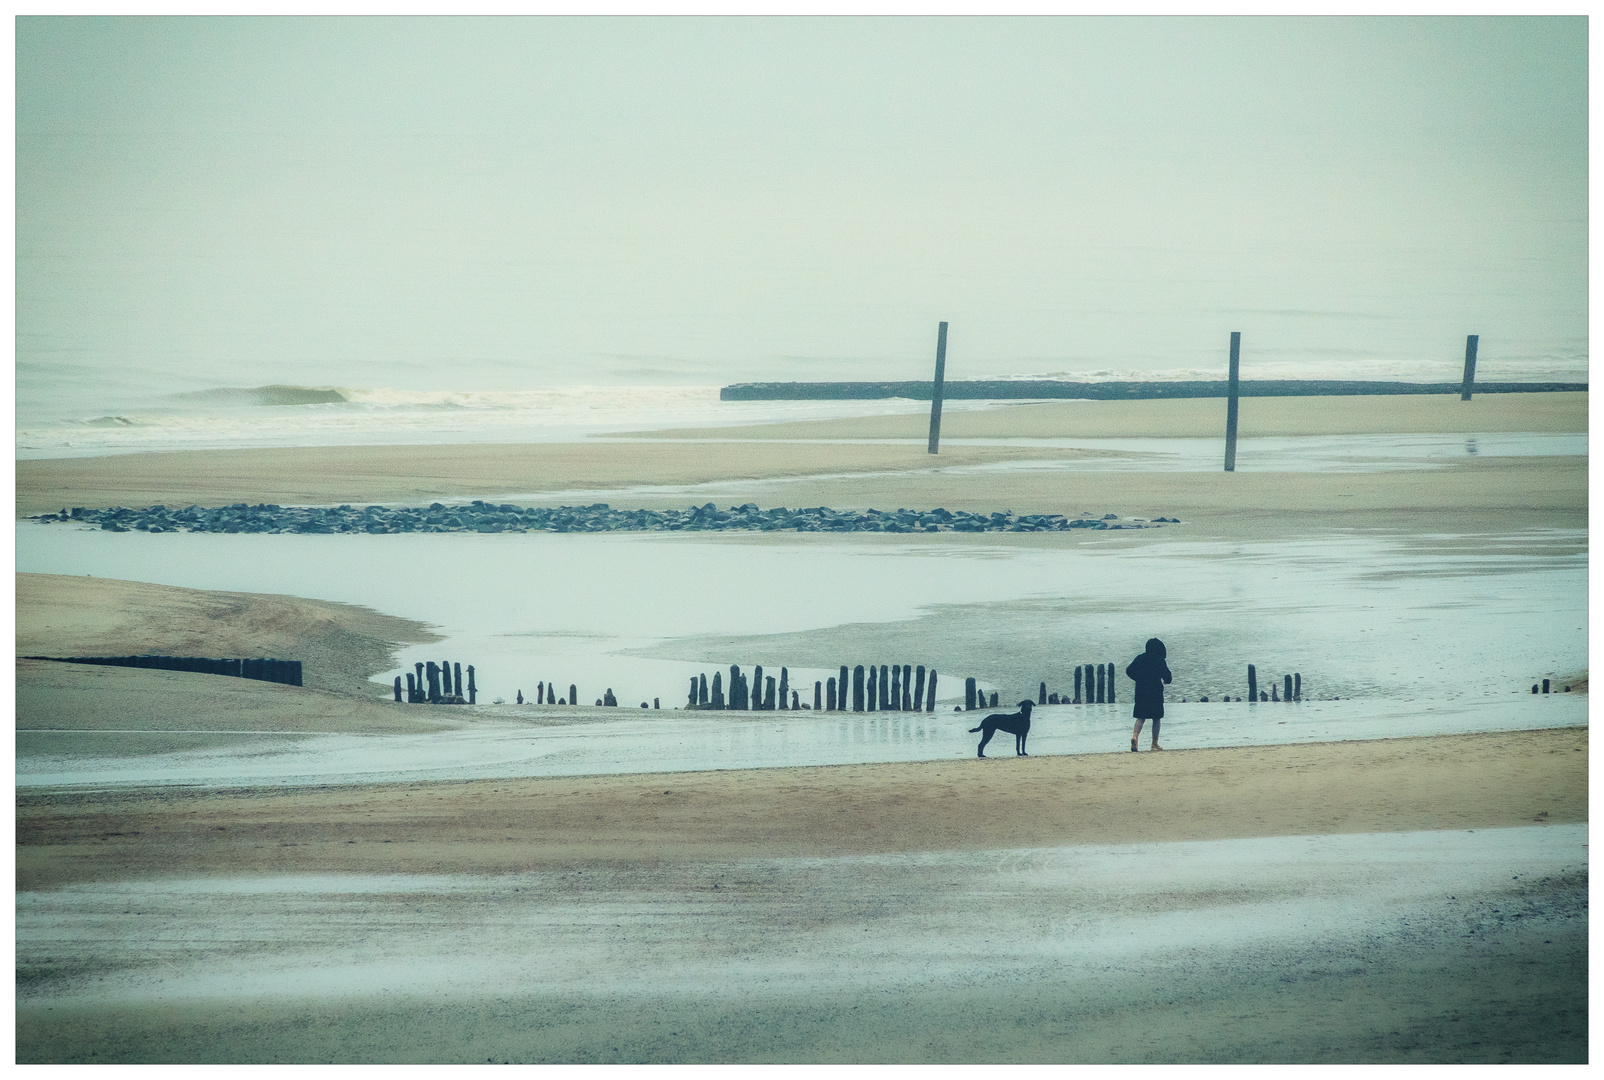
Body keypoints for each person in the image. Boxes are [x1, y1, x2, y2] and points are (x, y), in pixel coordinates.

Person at [1125, 637, 1172, 751]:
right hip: (1155, 691)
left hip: (1141, 691)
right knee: (1156, 717)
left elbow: (1129, 670)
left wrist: (1138, 678)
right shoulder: (1159, 660)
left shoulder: (1140, 658)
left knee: (1141, 716)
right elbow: (1167, 676)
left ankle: (1135, 737)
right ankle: (1154, 743)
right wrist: (1165, 680)